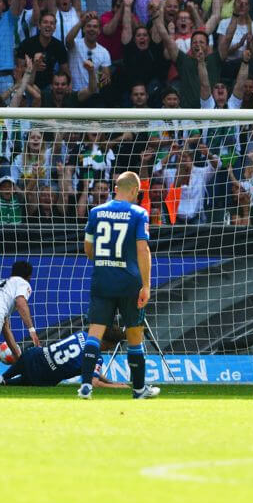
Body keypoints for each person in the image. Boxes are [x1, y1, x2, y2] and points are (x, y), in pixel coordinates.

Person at [79, 170, 159, 400]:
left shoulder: (96, 212)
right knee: (135, 335)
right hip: (129, 282)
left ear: (116, 188)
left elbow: (88, 250)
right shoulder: (138, 213)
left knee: (94, 334)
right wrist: (146, 286)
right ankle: (138, 389)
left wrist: (106, 262)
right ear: (134, 190)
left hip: (102, 280)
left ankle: (85, 386)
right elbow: (143, 249)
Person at [0, 330, 127, 389]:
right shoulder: (96, 357)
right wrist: (117, 386)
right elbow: (93, 381)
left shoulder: (82, 334)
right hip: (43, 377)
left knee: (31, 355)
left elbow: (87, 369)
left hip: (34, 357)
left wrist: (108, 380)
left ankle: (1, 378)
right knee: (33, 380)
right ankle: (6, 382)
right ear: (109, 344)